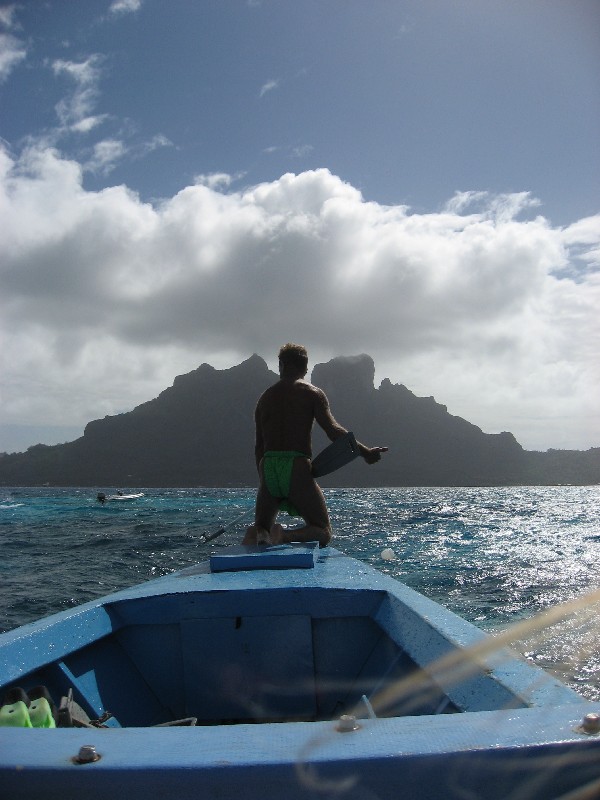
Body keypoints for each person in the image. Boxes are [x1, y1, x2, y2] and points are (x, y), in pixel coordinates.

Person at [243, 343, 388, 547]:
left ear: (282, 365)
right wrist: (366, 453)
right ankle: (285, 536)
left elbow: (259, 446)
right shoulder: (311, 393)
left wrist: (267, 482)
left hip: (267, 465)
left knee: (262, 528)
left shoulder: (265, 398)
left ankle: (258, 532)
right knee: (322, 530)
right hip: (296, 465)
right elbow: (334, 431)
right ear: (305, 367)